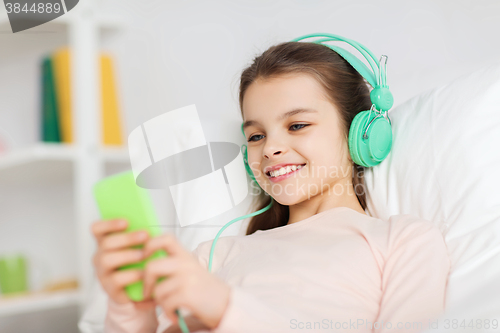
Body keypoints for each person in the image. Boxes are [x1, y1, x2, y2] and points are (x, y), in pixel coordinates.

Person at [92, 41, 451, 333]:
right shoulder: (214, 256)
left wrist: (226, 308)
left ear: (361, 135)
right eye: (256, 135)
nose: (270, 148)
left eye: (297, 125)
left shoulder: (401, 241)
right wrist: (130, 310)